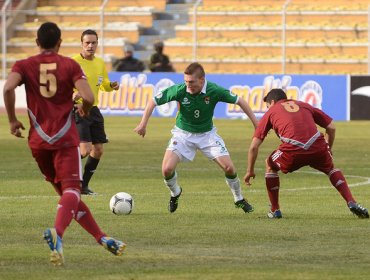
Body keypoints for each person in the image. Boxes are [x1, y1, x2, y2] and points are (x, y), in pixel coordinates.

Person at [3, 22, 125, 266]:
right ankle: (58, 234)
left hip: (38, 141)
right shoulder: (70, 65)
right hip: (64, 138)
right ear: (60, 43)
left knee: (68, 197)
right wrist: (85, 108)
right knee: (72, 191)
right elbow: (89, 97)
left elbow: (7, 88)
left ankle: (102, 237)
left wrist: (13, 121)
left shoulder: (24, 65)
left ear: (37, 42)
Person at [134, 62, 258, 213]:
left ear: (202, 79)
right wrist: (143, 124)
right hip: (182, 135)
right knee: (166, 169)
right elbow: (153, 101)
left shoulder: (214, 90)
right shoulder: (179, 90)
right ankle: (175, 193)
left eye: (191, 82)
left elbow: (240, 101)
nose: (188, 85)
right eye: (186, 81)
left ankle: (238, 199)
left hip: (207, 135)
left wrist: (256, 124)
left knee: (229, 168)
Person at [244, 88, 369, 219]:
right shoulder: (304, 105)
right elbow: (331, 127)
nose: (267, 108)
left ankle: (275, 210)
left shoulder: (271, 112)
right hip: (317, 145)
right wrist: (328, 148)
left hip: (293, 150)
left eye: (268, 105)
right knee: (331, 168)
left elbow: (253, 147)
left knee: (270, 164)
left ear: (273, 102)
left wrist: (250, 170)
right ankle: (351, 201)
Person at [72, 29, 120, 195]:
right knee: (84, 150)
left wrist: (111, 85)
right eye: (87, 43)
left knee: (98, 150)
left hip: (94, 109)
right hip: (79, 108)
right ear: (81, 44)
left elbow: (104, 83)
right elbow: (62, 85)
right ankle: (60, 168)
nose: (90, 46)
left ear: (97, 44)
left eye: (93, 43)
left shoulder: (99, 63)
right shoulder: (73, 63)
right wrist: (72, 95)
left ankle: (83, 186)